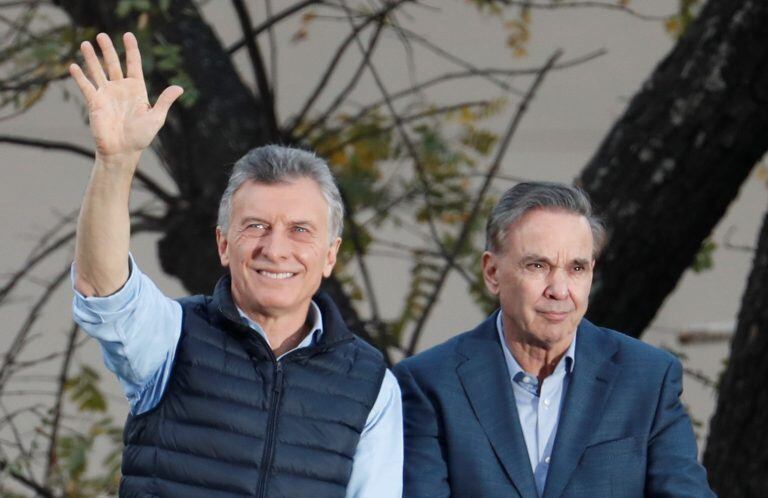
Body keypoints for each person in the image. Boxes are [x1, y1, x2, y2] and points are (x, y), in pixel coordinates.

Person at [69, 32, 402, 498]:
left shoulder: (371, 383)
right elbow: (102, 285)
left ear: (330, 255)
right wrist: (116, 162)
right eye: (257, 226)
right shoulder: (172, 336)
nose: (276, 249)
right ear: (224, 245)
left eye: (301, 230)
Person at [394, 182, 715, 497]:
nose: (560, 290)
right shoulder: (430, 383)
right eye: (537, 265)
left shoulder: (647, 378)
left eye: (576, 268)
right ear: (492, 273)